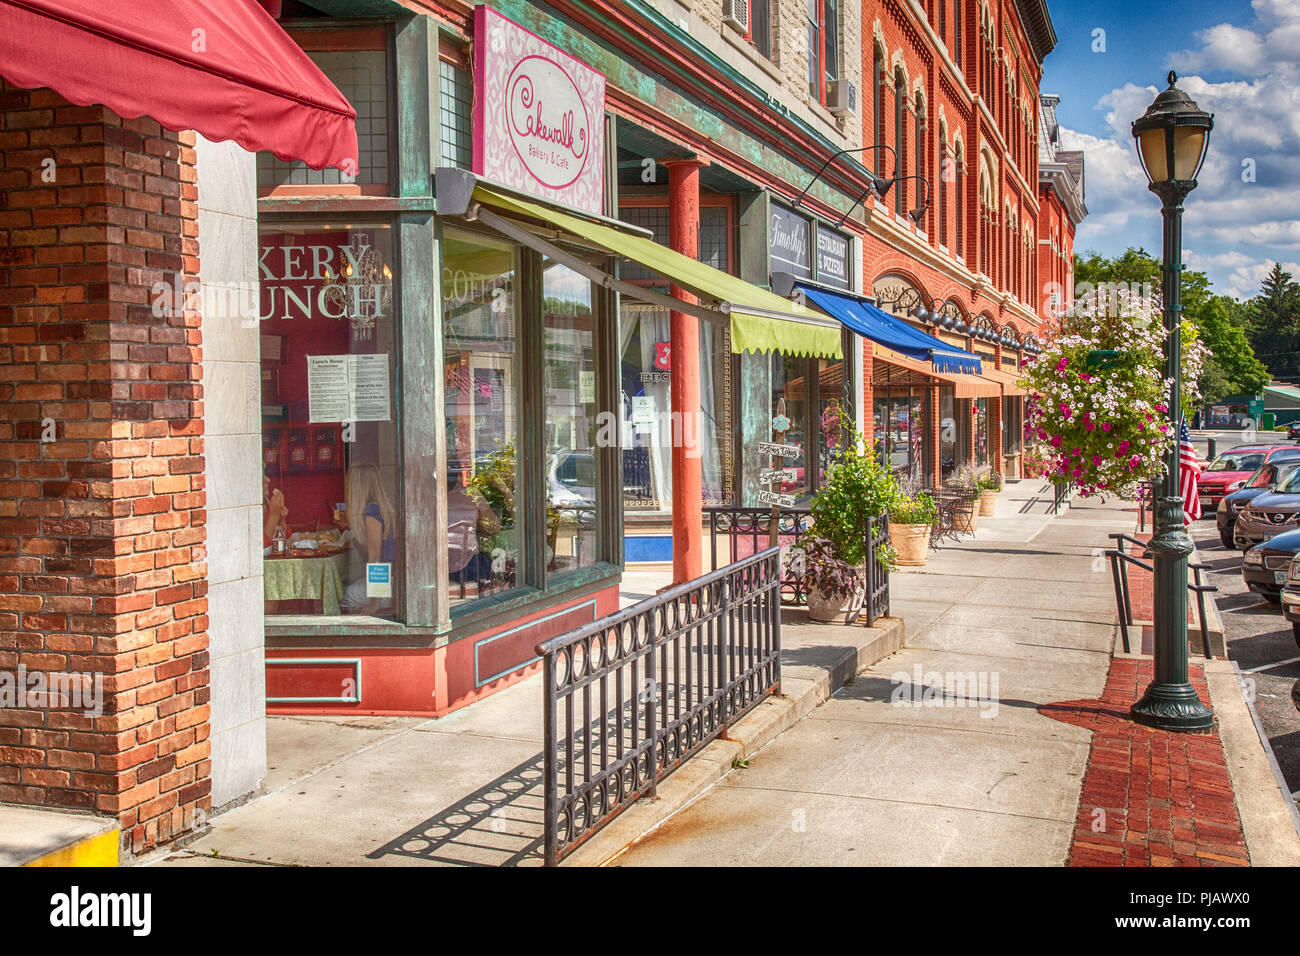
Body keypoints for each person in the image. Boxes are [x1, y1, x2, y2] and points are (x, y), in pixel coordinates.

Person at [340, 463, 397, 613]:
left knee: (344, 596)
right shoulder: (381, 508)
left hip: (388, 583)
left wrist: (374, 603)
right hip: (395, 579)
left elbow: (375, 557)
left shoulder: (371, 512)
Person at [263, 475, 288, 547]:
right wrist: (274, 515)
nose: (268, 479)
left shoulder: (266, 503)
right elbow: (262, 546)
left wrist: (280, 517)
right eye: (262, 474)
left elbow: (284, 536)